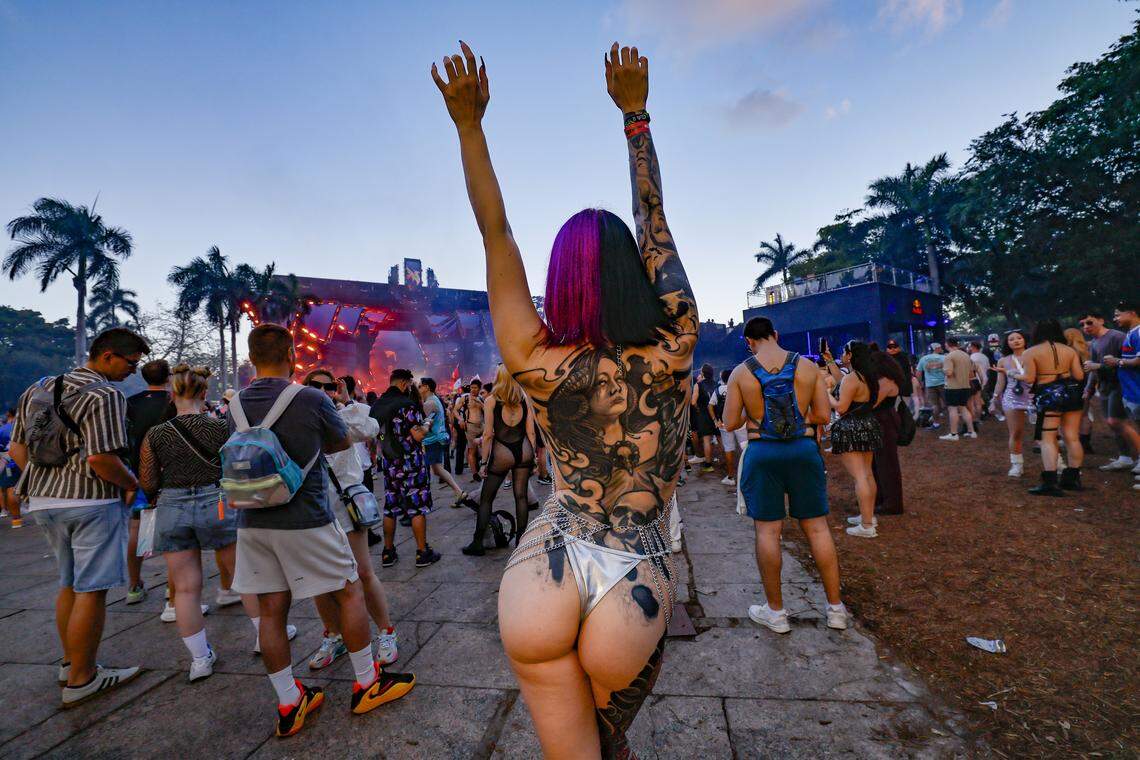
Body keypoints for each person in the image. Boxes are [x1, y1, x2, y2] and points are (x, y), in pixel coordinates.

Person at [434, 41, 694, 756]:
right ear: (634, 276)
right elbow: (653, 218)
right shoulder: (674, 343)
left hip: (543, 570)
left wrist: (469, 126)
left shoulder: (534, 357)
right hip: (633, 572)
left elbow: (497, 233)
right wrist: (635, 116)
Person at [228, 325, 414, 737]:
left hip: (253, 521)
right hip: (306, 516)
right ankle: (367, 682)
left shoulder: (235, 404)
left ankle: (289, 701)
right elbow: (336, 443)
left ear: (252, 356)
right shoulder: (308, 397)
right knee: (349, 590)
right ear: (291, 353)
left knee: (271, 611)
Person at [9, 327, 148, 706]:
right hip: (91, 501)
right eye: (129, 364)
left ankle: (71, 662)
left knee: (68, 583)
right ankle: (83, 678)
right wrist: (131, 482)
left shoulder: (38, 389)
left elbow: (18, 449)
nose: (130, 372)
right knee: (92, 588)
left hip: (43, 500)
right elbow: (102, 458)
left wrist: (42, 484)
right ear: (106, 356)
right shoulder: (105, 394)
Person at [138, 364, 276, 681]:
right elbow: (238, 464)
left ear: (172, 395)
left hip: (173, 506)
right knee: (244, 576)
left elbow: (147, 481)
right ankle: (261, 637)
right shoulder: (220, 428)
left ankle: (200, 659)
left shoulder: (156, 434)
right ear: (204, 393)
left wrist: (161, 493)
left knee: (185, 590)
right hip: (217, 504)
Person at [723, 317, 847, 634]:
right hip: (803, 450)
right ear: (776, 335)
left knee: (767, 532)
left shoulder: (740, 372)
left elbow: (730, 423)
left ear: (748, 341)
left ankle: (776, 613)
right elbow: (822, 415)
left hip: (763, 453)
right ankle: (835, 610)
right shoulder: (806, 366)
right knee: (818, 529)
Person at [300, 369, 400, 673]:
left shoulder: (341, 415)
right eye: (314, 386)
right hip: (313, 508)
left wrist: (344, 400)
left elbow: (371, 429)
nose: (322, 391)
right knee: (320, 580)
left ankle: (386, 632)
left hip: (347, 507)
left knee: (363, 572)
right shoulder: (300, 420)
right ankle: (334, 635)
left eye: (327, 386)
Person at [462, 364, 537, 556]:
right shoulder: (524, 399)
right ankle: (521, 542)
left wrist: (484, 462)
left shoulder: (491, 400)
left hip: (502, 451)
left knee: (487, 498)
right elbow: (530, 431)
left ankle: (477, 543)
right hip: (524, 450)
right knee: (521, 497)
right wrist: (534, 456)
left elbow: (487, 435)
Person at [371, 369, 441, 569]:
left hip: (390, 464)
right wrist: (426, 424)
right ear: (403, 383)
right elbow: (418, 435)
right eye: (410, 384)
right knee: (417, 506)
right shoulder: (406, 405)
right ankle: (422, 553)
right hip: (411, 463)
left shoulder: (377, 405)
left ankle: (387, 553)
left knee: (390, 508)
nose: (410, 388)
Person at [124, 359, 175, 605]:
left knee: (140, 528)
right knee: (172, 531)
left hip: (139, 475)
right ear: (168, 377)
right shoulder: (173, 402)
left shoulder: (130, 403)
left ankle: (134, 585)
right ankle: (172, 585)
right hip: (170, 476)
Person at [1016, 319, 1086, 495]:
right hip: (1071, 395)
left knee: (1048, 438)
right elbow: (1078, 375)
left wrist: (1013, 374)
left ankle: (1050, 482)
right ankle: (1072, 478)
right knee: (1072, 437)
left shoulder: (1031, 352)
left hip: (1048, 397)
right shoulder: (1069, 350)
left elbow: (1030, 378)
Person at [829, 341, 884, 538]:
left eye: (844, 351)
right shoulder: (867, 376)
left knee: (859, 476)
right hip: (868, 424)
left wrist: (827, 395)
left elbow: (841, 407)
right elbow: (842, 383)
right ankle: (867, 516)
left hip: (850, 428)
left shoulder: (852, 378)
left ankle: (867, 525)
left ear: (850, 355)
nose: (842, 354)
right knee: (867, 473)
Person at [1081, 312, 1139, 472]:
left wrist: (1099, 367)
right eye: (1083, 324)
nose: (1086, 327)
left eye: (1089, 322)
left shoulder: (1117, 337)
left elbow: (1128, 363)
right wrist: (1089, 388)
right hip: (1105, 386)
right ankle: (1125, 457)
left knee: (1116, 421)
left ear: (1101, 320)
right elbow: (1092, 367)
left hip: (1121, 384)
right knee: (1111, 423)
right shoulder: (1094, 343)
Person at [1104, 301, 1140, 490]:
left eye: (1118, 314)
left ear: (1132, 313)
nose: (1115, 318)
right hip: (1132, 390)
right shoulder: (1131, 334)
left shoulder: (1139, 333)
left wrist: (1116, 361)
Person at [991, 330, 1034, 477]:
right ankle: (1016, 465)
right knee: (1015, 433)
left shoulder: (1034, 356)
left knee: (1044, 433)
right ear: (1007, 343)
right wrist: (994, 399)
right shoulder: (1003, 360)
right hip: (1012, 397)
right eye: (1011, 339)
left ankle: (1057, 463)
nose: (1016, 341)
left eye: (1019, 338)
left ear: (1025, 340)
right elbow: (1000, 382)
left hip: (1033, 396)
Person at [418, 377, 467, 505]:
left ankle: (425, 499)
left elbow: (423, 424)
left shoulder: (430, 403)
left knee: (429, 470)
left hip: (432, 440)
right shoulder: (433, 400)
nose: (418, 389)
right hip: (436, 439)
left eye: (420, 386)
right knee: (437, 469)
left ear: (426, 387)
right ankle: (458, 492)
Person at [870, 349, 905, 515]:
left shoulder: (886, 381)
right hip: (883, 422)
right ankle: (883, 498)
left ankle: (892, 503)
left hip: (885, 423)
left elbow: (872, 403)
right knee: (879, 464)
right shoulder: (887, 379)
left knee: (887, 465)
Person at [709, 369, 746, 486]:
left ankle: (730, 477)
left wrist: (716, 421)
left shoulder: (718, 390)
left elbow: (710, 406)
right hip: (740, 423)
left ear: (723, 379)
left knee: (729, 449)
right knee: (745, 448)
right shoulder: (739, 388)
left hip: (725, 424)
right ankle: (747, 475)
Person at [939, 338, 977, 441]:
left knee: (952, 409)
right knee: (963, 408)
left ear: (947, 344)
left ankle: (953, 434)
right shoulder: (966, 355)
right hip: (966, 386)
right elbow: (971, 373)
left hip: (953, 387)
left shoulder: (949, 356)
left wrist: (942, 368)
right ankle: (971, 431)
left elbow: (949, 373)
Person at [687, 364, 717, 473]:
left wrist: (698, 409)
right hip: (716, 415)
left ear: (703, 373)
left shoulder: (698, 385)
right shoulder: (716, 383)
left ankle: (708, 464)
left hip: (704, 415)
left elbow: (693, 402)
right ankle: (724, 464)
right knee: (720, 439)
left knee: (706, 440)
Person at [457, 378, 486, 479]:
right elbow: (455, 410)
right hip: (470, 427)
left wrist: (480, 403)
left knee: (485, 449)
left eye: (475, 388)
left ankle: (484, 469)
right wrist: (460, 419)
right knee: (471, 450)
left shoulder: (482, 398)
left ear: (479, 389)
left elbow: (487, 411)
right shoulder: (464, 398)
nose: (473, 389)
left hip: (482, 426)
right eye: (472, 387)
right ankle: (474, 473)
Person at [915, 342, 946, 427]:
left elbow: (918, 372)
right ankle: (952, 423)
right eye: (940, 347)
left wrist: (920, 382)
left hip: (930, 384)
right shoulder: (944, 358)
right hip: (944, 383)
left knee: (935, 405)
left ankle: (936, 423)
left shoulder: (924, 358)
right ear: (936, 349)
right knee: (949, 404)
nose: (941, 348)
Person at [0, 408, 22, 528]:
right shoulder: (18, 427)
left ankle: (14, 518)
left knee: (7, 488)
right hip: (19, 461)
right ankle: (16, 518)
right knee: (14, 489)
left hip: (6, 463)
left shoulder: (1, 430)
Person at [885, 340, 917, 418]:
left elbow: (907, 372)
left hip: (904, 387)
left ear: (899, 348)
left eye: (894, 347)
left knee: (905, 407)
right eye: (890, 347)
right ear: (887, 349)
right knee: (893, 408)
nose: (892, 349)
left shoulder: (904, 357)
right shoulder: (885, 358)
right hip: (890, 388)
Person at [967, 341, 991, 424]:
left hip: (973, 380)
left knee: (972, 402)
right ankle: (979, 418)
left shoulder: (971, 357)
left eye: (969, 346)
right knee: (979, 401)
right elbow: (987, 369)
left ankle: (974, 420)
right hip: (983, 380)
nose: (969, 348)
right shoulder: (984, 357)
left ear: (973, 347)